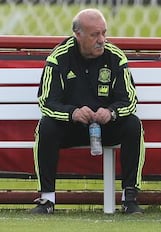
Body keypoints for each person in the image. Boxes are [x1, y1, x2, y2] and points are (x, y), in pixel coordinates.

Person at [30, 8, 145, 214]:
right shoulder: (58, 57)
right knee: (46, 127)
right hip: (72, 127)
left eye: (104, 33)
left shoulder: (115, 56)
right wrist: (72, 113)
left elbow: (129, 100)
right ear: (78, 35)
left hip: (106, 127)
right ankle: (47, 199)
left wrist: (110, 113)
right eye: (95, 35)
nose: (102, 39)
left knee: (133, 124)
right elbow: (46, 102)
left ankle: (130, 197)